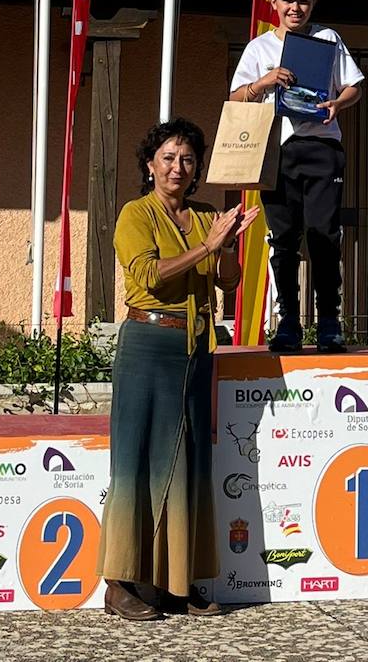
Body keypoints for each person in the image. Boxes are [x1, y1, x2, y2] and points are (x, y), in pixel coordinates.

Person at [97, 117, 257, 622]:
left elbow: (227, 283)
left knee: (189, 464)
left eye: (187, 159)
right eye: (167, 157)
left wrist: (227, 245)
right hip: (147, 345)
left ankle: (177, 581)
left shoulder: (206, 215)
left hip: (194, 350)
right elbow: (145, 275)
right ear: (150, 165)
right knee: (137, 461)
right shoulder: (134, 214)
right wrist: (207, 246)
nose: (177, 167)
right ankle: (119, 582)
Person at [229, 0, 363, 353]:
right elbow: (235, 98)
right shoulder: (259, 48)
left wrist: (338, 103)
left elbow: (353, 86)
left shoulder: (328, 38)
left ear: (313, 3)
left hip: (322, 149)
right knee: (284, 240)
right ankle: (288, 320)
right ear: (274, 3)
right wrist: (264, 82)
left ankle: (329, 322)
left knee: (324, 237)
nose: (296, 6)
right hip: (276, 151)